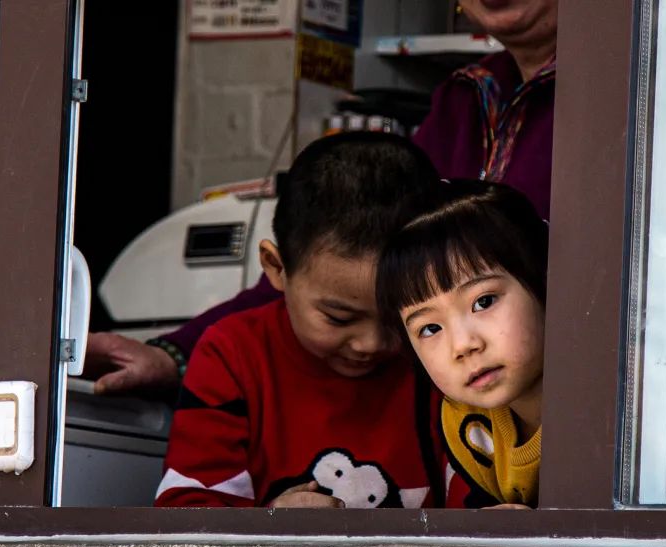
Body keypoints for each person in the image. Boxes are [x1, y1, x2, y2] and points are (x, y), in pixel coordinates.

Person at [86, 0, 558, 397]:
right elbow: (318, 267)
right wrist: (173, 354)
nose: (369, 343)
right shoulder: (463, 98)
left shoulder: (606, 91)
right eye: (340, 318)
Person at [154, 132, 443, 508]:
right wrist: (270, 524)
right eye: (339, 318)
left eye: (400, 317)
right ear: (276, 268)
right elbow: (187, 515)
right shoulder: (232, 355)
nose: (370, 343)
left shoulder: (448, 355)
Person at [376, 180, 547, 508]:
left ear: (545, 280)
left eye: (484, 302)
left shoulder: (608, 407)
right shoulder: (467, 423)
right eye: (430, 328)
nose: (463, 345)